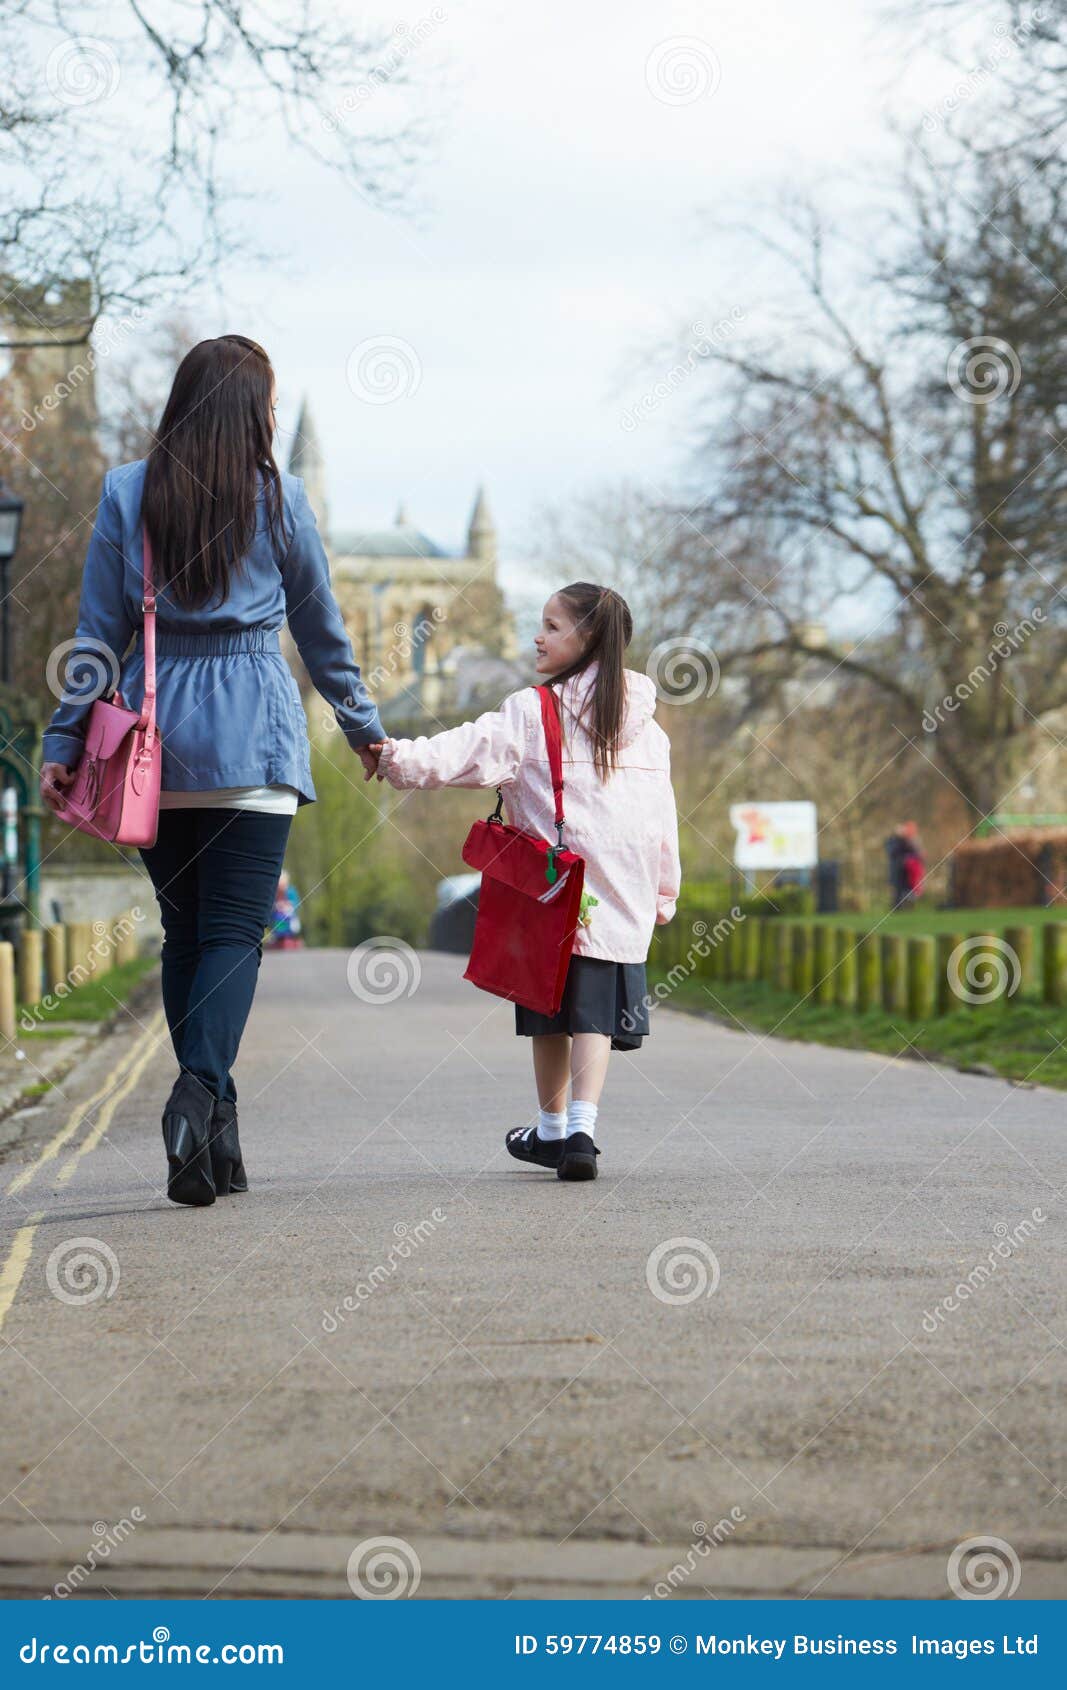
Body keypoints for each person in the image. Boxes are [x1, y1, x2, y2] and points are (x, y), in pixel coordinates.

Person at [39, 335, 385, 1207]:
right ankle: (194, 1095)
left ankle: (215, 1141)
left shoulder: (127, 491)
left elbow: (96, 636)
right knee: (234, 931)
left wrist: (61, 740)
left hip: (150, 736)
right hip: (251, 731)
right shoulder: (282, 496)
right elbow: (320, 630)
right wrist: (361, 726)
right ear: (254, 412)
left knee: (186, 932)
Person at [368, 582, 681, 1182]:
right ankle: (583, 1129)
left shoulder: (535, 711)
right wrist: (664, 888)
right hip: (621, 890)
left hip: (555, 887)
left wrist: (393, 757)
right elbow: (664, 817)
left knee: (548, 1009)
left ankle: (553, 1130)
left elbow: (463, 751)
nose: (537, 637)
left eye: (552, 626)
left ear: (586, 639)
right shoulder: (650, 727)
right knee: (594, 1013)